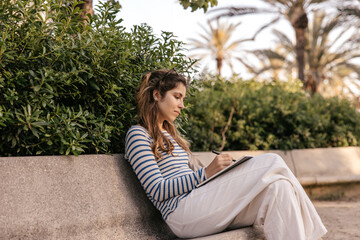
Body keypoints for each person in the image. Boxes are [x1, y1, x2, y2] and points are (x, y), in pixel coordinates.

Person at [124, 69, 327, 240]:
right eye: (177, 97)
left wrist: (222, 172)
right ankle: (317, 233)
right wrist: (205, 173)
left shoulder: (172, 137)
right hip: (181, 212)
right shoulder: (137, 134)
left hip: (199, 203)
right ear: (157, 94)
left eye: (183, 99)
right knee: (272, 160)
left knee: (278, 189)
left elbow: (195, 179)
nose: (182, 105)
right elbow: (157, 190)